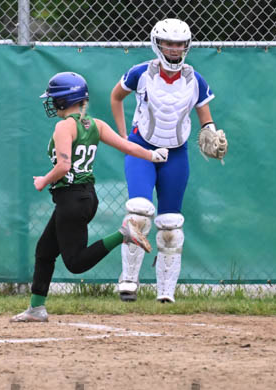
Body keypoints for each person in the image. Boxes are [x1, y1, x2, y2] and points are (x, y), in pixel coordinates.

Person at [11, 72, 170, 323]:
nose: (51, 103)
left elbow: (63, 167)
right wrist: (153, 155)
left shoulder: (64, 126)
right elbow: (127, 146)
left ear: (63, 100)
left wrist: (43, 180)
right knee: (44, 251)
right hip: (85, 197)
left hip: (71, 199)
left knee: (75, 263)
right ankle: (36, 308)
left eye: (53, 98)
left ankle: (123, 234)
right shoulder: (96, 124)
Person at [108, 18, 227, 303]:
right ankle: (128, 280)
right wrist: (124, 138)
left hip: (175, 153)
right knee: (139, 212)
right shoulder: (141, 73)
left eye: (179, 44)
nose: (174, 49)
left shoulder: (194, 79)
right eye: (168, 44)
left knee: (171, 224)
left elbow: (206, 118)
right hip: (142, 148)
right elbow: (116, 97)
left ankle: (165, 292)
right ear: (157, 44)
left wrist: (211, 133)